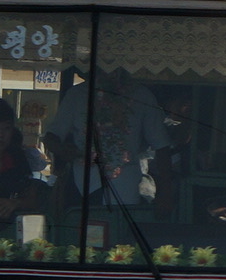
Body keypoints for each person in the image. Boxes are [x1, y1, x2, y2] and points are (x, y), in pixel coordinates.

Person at [44, 68, 175, 214]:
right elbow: (51, 136)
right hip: (83, 183)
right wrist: (62, 149)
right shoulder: (77, 94)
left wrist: (165, 192)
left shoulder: (141, 95)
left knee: (119, 226)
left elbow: (161, 145)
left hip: (125, 186)